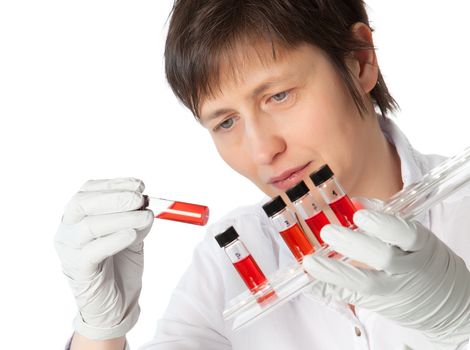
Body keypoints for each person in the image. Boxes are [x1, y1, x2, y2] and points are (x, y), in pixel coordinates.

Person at [54, 0, 470, 349]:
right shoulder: (233, 258)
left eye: (278, 96)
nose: (262, 151)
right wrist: (100, 330)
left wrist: (461, 322)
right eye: (226, 122)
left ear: (360, 62)